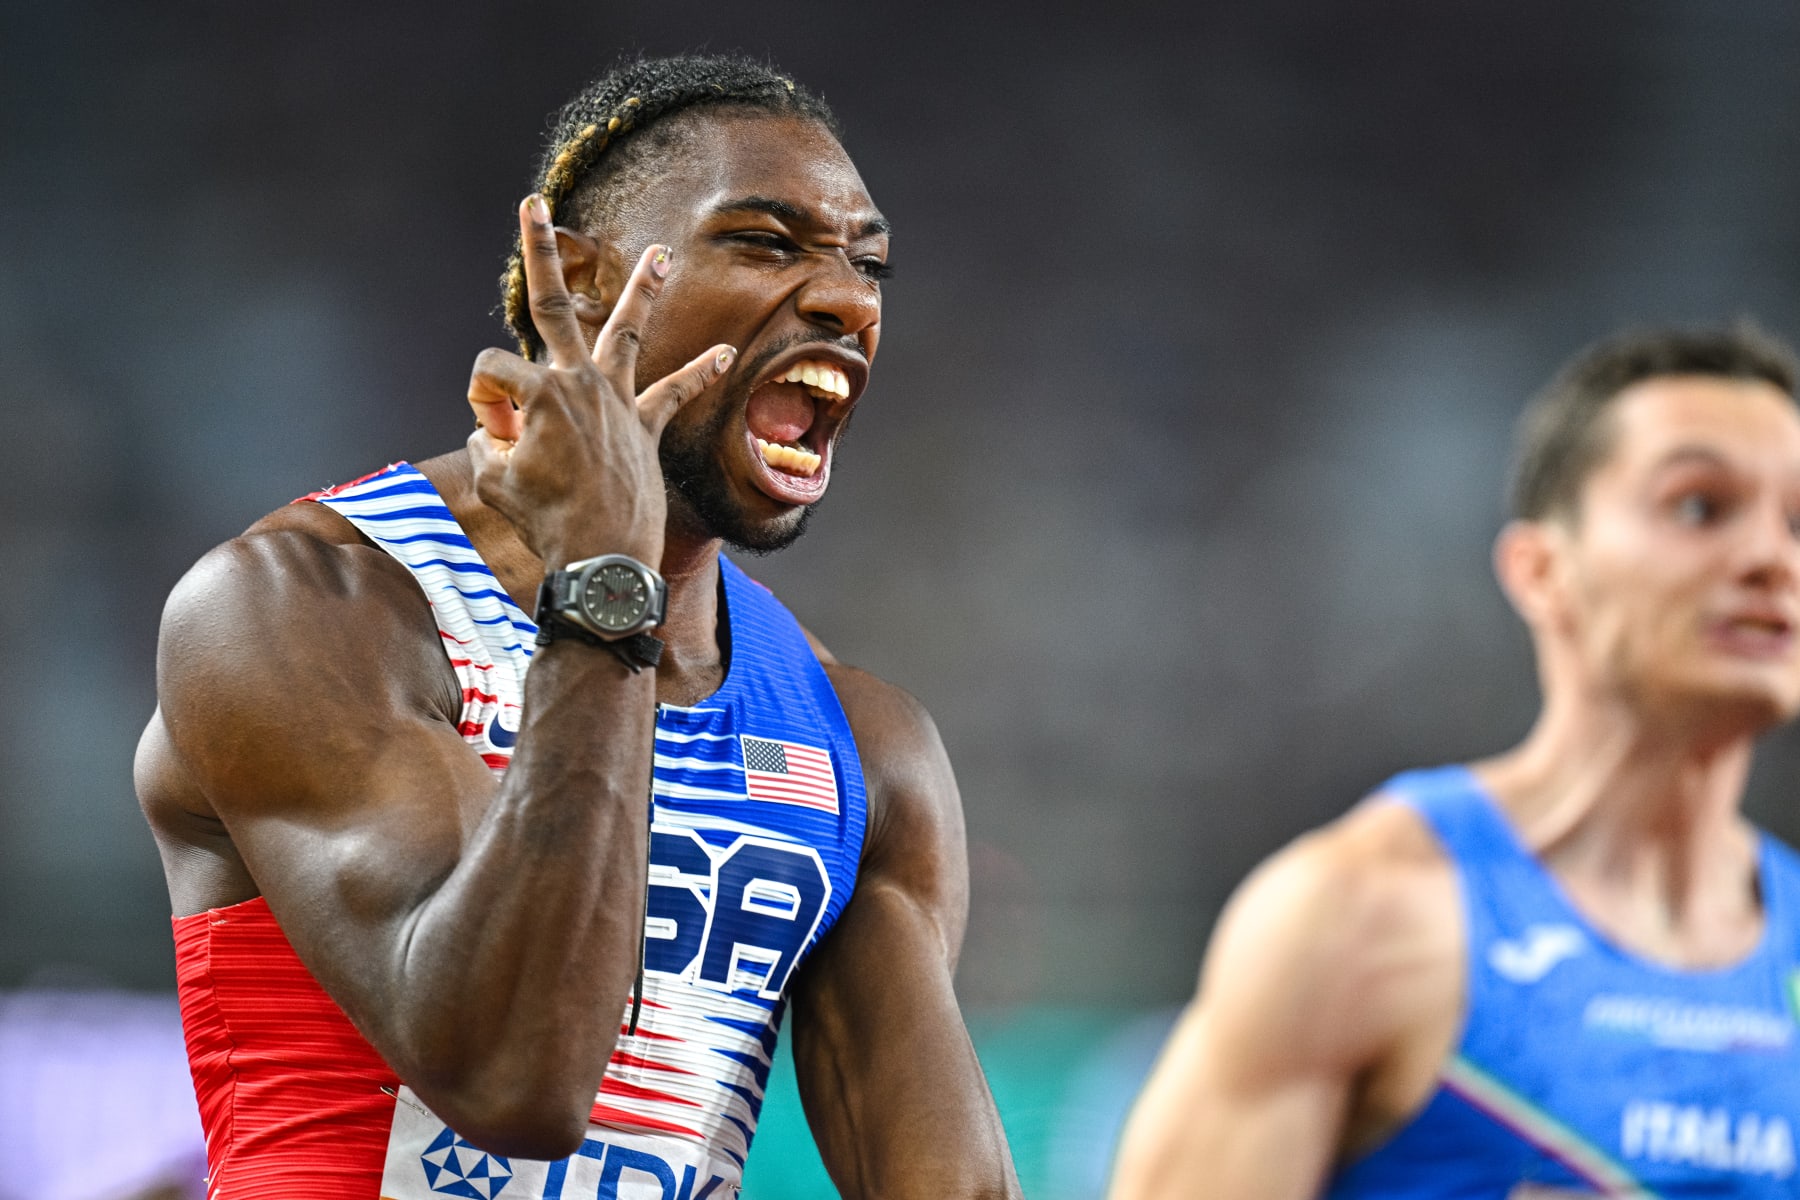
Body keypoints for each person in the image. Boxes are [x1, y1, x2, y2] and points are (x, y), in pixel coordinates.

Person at [136, 53, 1020, 1200]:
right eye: (766, 242)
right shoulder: (304, 608)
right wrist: (608, 577)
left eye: (867, 264)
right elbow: (515, 1081)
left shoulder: (862, 745)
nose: (849, 301)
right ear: (586, 279)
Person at [1109, 325, 1800, 1199]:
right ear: (1543, 570)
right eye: (1700, 506)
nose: (1773, 559)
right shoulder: (1360, 918)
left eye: (1798, 523)